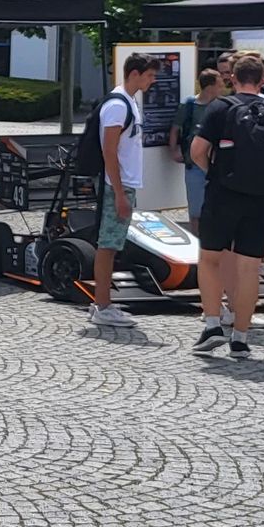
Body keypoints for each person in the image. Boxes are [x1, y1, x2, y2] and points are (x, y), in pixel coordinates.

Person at [191, 56, 264, 360]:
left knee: (210, 260)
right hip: (261, 197)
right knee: (250, 268)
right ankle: (240, 338)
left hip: (223, 194)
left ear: (232, 79)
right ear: (262, 79)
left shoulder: (221, 108)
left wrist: (213, 172)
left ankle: (213, 324)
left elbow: (198, 150)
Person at [88, 53, 159, 329]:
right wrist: (118, 192)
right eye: (150, 75)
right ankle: (102, 305)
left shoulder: (128, 102)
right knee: (108, 244)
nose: (152, 81)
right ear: (135, 74)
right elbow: (109, 151)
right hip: (114, 184)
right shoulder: (119, 106)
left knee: (112, 244)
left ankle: (103, 303)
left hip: (122, 183)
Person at [169, 68, 224, 226]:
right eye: (219, 85)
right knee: (195, 211)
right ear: (210, 87)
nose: (222, 89)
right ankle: (197, 244)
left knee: (217, 208)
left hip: (216, 164)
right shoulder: (189, 105)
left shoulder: (221, 106)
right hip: (193, 164)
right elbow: (175, 129)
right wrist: (174, 151)